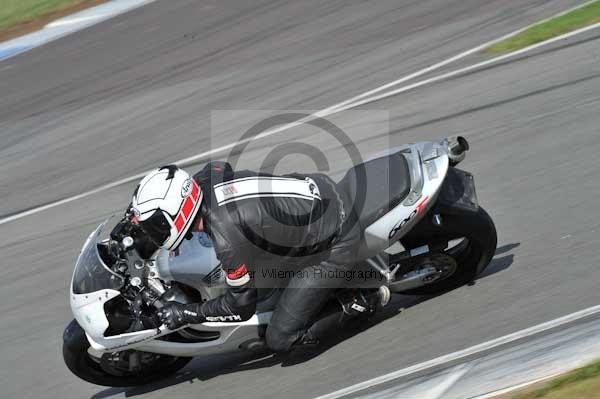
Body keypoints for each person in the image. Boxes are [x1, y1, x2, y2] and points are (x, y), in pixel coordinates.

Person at [127, 162, 389, 353]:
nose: (153, 231)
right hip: (317, 189)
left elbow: (240, 307)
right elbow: (220, 166)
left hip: (334, 243)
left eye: (156, 224)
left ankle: (367, 298)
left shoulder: (228, 239)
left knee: (280, 338)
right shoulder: (204, 182)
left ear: (178, 212)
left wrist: (187, 312)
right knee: (264, 287)